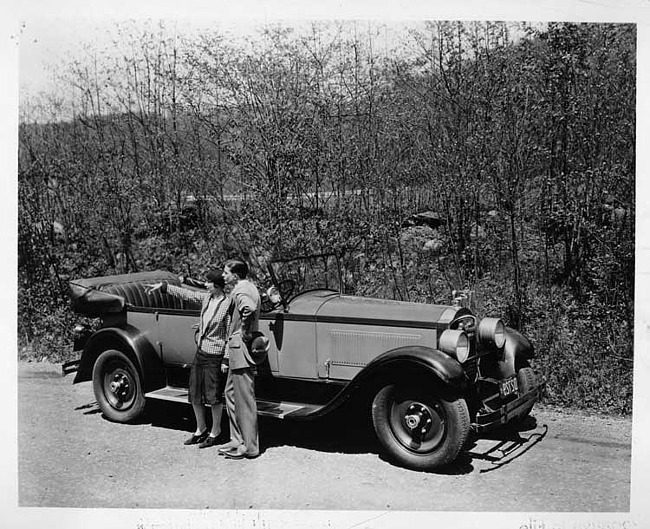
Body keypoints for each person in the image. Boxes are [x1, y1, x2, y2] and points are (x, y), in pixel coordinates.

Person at [145, 270, 232, 449]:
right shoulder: (207, 298)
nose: (205, 285)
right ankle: (200, 429)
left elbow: (230, 333)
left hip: (215, 354)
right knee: (195, 393)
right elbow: (188, 294)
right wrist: (164, 287)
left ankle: (216, 432)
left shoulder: (227, 303)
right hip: (201, 352)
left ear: (216, 285)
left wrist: (226, 359)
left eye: (208, 282)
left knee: (213, 396)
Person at [217, 259, 262, 460]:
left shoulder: (241, 290)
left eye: (226, 273)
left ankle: (250, 447)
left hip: (241, 347)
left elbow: (249, 309)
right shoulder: (250, 286)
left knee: (244, 399)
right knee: (230, 393)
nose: (223, 276)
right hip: (238, 349)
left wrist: (243, 331)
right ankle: (237, 439)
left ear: (235, 275)